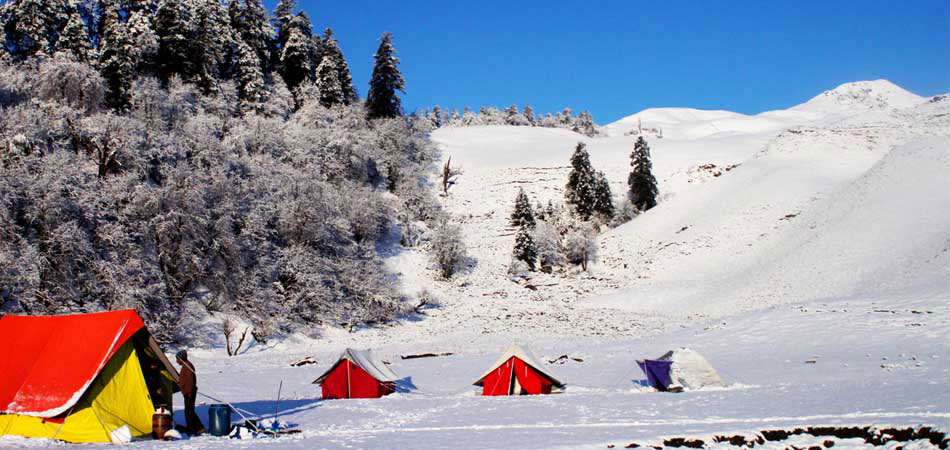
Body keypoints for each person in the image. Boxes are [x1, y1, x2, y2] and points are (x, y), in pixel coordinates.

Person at [175, 350, 205, 435]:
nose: (177, 361)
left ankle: (194, 428)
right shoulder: (186, 365)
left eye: (177, 359)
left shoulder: (187, 366)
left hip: (189, 392)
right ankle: (198, 427)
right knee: (189, 411)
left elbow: (190, 381)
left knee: (189, 412)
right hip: (188, 392)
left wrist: (187, 392)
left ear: (181, 358)